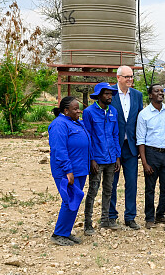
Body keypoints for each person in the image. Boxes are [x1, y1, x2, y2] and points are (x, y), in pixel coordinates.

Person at [48, 96, 90, 246]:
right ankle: (58, 234)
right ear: (66, 110)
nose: (79, 111)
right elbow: (59, 149)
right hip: (67, 171)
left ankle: (65, 232)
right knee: (69, 201)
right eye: (75, 109)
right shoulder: (59, 125)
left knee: (75, 201)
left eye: (78, 108)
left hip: (79, 169)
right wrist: (68, 170)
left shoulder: (74, 122)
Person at [82, 82, 121, 235]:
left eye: (111, 93)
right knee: (93, 190)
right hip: (97, 159)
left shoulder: (113, 111)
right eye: (106, 94)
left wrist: (117, 156)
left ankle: (105, 220)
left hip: (111, 158)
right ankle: (88, 223)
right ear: (99, 95)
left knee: (109, 190)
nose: (109, 96)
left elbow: (115, 134)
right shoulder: (89, 112)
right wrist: (91, 159)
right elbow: (88, 137)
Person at [109, 65, 144, 230]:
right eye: (127, 77)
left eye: (131, 76)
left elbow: (140, 120)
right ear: (118, 78)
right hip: (113, 147)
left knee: (131, 183)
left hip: (130, 146)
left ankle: (130, 217)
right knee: (111, 183)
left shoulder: (137, 95)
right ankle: (111, 216)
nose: (130, 79)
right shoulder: (109, 94)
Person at [136, 84, 165, 229]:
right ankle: (149, 217)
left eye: (162, 91)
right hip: (151, 154)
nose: (160, 93)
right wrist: (145, 163)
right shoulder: (144, 114)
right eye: (156, 91)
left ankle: (160, 214)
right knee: (150, 188)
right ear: (150, 95)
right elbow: (140, 140)